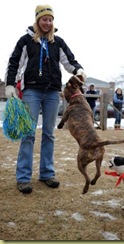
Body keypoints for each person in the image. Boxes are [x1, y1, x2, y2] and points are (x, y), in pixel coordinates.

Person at [4, 4, 86, 194]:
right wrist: (10, 84)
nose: (47, 23)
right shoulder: (25, 40)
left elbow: (69, 61)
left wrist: (78, 69)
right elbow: (14, 62)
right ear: (38, 20)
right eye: (44, 19)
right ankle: (23, 177)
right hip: (31, 90)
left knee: (49, 134)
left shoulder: (58, 42)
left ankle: (47, 173)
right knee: (29, 133)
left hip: (52, 92)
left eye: (50, 19)